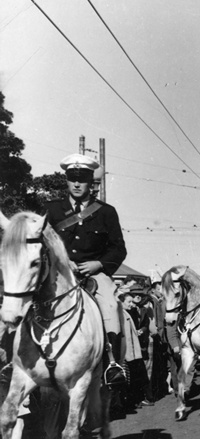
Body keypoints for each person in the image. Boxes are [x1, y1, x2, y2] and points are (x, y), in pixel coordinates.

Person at [45, 153, 127, 366]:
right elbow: (40, 243)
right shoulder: (52, 209)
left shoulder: (106, 212)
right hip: (58, 272)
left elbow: (119, 249)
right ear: (67, 180)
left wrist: (99, 264)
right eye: (73, 179)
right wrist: (61, 260)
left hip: (95, 275)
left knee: (110, 305)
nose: (77, 184)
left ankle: (112, 364)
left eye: (82, 180)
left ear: (91, 182)